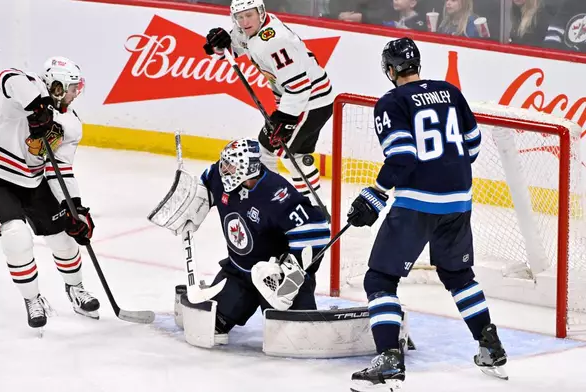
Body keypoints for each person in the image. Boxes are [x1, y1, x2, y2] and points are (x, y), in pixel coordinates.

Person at [347, 37, 507, 391]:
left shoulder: (392, 102)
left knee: (380, 280)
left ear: (390, 70)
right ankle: (489, 344)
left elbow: (402, 156)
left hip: (418, 202)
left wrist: (375, 192)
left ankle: (389, 358)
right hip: (459, 199)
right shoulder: (450, 91)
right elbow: (474, 143)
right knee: (459, 275)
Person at [0, 57, 99, 331]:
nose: (77, 94)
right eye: (73, 88)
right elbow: (7, 75)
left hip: (34, 180)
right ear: (56, 86)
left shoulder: (71, 123)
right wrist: (36, 107)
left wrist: (75, 208)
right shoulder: (29, 88)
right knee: (16, 236)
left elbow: (60, 167)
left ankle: (75, 290)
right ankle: (32, 299)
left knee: (64, 236)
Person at [166, 138, 330, 338]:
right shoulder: (218, 175)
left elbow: (317, 233)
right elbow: (206, 184)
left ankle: (294, 302)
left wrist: (291, 275)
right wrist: (193, 204)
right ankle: (196, 299)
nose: (223, 169)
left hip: (273, 278)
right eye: (224, 162)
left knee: (299, 337)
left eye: (230, 165)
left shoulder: (276, 193)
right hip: (238, 272)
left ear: (247, 168)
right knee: (208, 327)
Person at [203, 0, 335, 206]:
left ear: (261, 12)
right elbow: (231, 51)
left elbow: (300, 86)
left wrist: (287, 118)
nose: (245, 21)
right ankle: (289, 203)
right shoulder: (248, 29)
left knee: (280, 153)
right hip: (299, 100)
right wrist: (218, 43)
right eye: (240, 17)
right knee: (280, 153)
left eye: (249, 15)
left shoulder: (275, 41)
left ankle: (294, 205)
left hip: (310, 102)